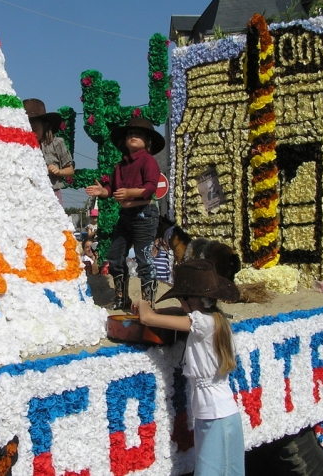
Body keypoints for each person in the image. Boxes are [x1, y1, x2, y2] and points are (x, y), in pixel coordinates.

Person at [133, 260, 243, 475]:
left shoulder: (202, 323)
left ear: (192, 300)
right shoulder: (213, 319)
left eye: (181, 299)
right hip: (216, 412)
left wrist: (143, 304)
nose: (179, 304)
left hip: (215, 414)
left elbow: (148, 318)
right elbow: (179, 312)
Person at [85, 118, 164, 310]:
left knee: (144, 256)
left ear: (148, 141)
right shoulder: (120, 166)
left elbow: (150, 187)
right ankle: (122, 297)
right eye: (130, 134)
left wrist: (129, 192)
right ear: (124, 141)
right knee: (115, 255)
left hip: (145, 213)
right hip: (126, 215)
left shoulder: (148, 160)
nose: (133, 137)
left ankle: (148, 302)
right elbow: (111, 189)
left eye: (139, 134)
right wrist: (102, 192)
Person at [24, 98, 74, 206]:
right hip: (29, 195)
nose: (32, 132)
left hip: (52, 193)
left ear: (44, 125)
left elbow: (70, 170)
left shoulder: (57, 143)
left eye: (35, 129)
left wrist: (58, 171)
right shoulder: (22, 147)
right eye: (29, 128)